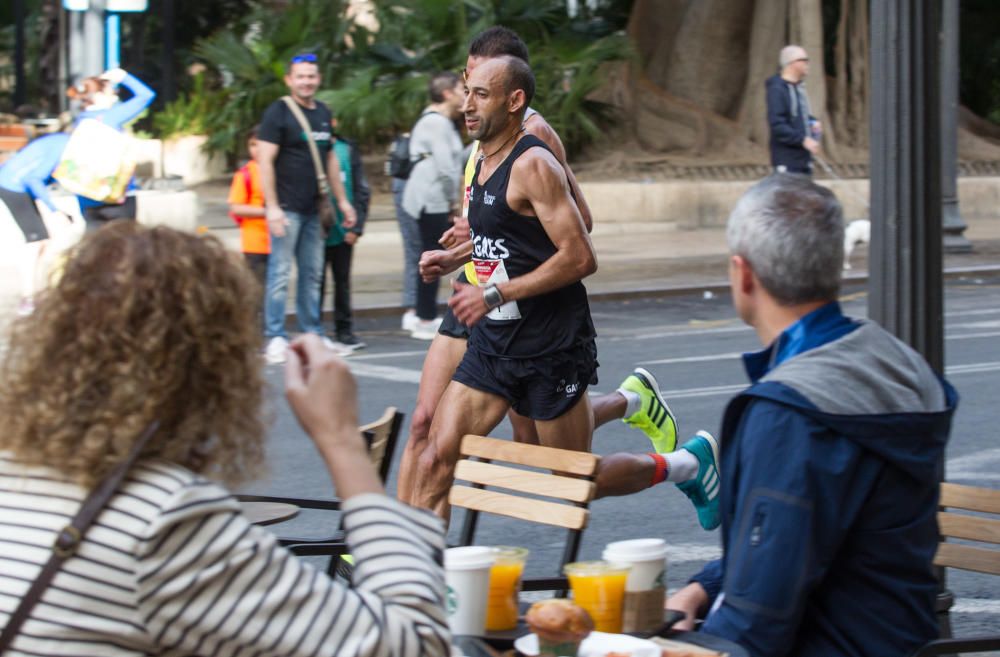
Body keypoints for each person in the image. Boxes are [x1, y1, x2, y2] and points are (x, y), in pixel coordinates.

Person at [0, 223, 450, 657]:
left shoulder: (12, 468)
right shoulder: (162, 520)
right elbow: (412, 644)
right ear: (214, 370)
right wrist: (341, 441)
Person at [614, 174, 953, 657]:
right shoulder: (897, 363)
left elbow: (755, 626)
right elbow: (808, 539)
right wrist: (704, 588)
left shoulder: (790, 412)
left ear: (743, 275)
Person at [405, 55, 603, 521]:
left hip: (549, 343)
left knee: (574, 483)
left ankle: (678, 466)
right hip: (494, 344)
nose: (467, 105)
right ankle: (415, 585)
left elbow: (581, 256)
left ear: (515, 101)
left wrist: (495, 293)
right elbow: (504, 238)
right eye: (467, 92)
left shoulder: (533, 162)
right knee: (435, 458)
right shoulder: (481, 158)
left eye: (481, 95)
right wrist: (454, 258)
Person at [258, 53, 357, 364]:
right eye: (300, 76)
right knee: (280, 273)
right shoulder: (278, 112)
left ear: (319, 78)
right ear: (289, 79)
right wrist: (272, 207)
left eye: (311, 76)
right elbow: (264, 161)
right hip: (287, 209)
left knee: (312, 275)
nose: (307, 81)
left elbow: (329, 160)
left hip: (316, 210)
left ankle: (311, 333)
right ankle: (275, 335)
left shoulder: (324, 113)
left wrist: (342, 202)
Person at [401, 71, 466, 339]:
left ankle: (420, 313)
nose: (467, 94)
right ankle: (424, 317)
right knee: (433, 254)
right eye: (463, 89)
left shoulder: (439, 122)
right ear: (447, 93)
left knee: (430, 251)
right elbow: (448, 169)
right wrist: (454, 202)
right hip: (431, 199)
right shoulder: (437, 124)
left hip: (431, 197)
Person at [67, 67, 156, 230]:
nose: (115, 96)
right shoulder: (111, 116)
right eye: (112, 92)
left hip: (86, 194)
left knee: (94, 245)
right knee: (125, 246)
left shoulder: (80, 121)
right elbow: (146, 95)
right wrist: (123, 77)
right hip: (117, 195)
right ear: (99, 96)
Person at [0, 132, 74, 315]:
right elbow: (33, 179)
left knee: (44, 240)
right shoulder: (65, 145)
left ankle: (35, 293)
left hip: (20, 185)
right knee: (35, 241)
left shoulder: (64, 141)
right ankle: (28, 297)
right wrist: (54, 209)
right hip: (13, 186)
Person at [320, 120, 370, 351]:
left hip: (344, 228)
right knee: (315, 283)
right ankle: (315, 332)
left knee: (342, 282)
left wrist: (356, 227)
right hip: (318, 229)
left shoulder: (346, 148)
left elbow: (360, 189)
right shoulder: (308, 147)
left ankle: (344, 330)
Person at [765, 45, 820, 175]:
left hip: (804, 160)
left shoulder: (799, 88)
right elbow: (778, 125)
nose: (808, 63)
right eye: (804, 60)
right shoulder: (777, 89)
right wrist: (803, 140)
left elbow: (799, 117)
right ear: (792, 63)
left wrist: (813, 122)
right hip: (787, 162)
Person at [227, 125, 268, 289]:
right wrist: (267, 212)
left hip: (279, 242)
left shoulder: (281, 171)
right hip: (255, 243)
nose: (257, 149)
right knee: (257, 289)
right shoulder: (245, 174)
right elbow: (236, 208)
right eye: (252, 144)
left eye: (260, 144)